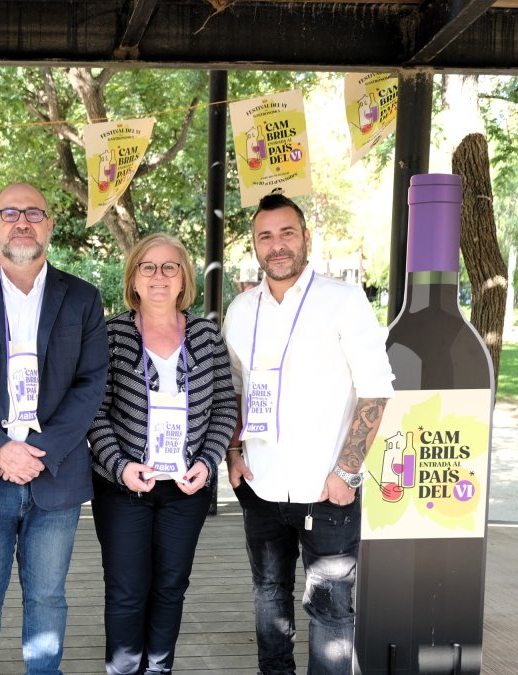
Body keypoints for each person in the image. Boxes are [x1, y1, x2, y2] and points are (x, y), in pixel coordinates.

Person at [0, 182, 109, 675]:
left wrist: (39, 451)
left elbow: (91, 382)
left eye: (34, 212)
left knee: (49, 599)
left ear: (50, 225)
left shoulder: (82, 298)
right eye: (9, 213)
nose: (22, 221)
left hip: (55, 474)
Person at [223, 194, 394, 675]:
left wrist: (346, 470)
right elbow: (234, 389)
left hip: (328, 489)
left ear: (306, 238)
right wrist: (234, 452)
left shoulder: (343, 300)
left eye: (286, 233)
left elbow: (376, 390)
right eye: (265, 236)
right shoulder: (239, 310)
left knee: (332, 611)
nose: (276, 245)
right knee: (268, 598)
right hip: (260, 485)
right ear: (255, 245)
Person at [87, 232, 238, 674]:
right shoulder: (111, 334)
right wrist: (120, 467)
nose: (158, 276)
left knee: (171, 587)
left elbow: (226, 404)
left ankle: (158, 670)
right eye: (148, 267)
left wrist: (208, 462)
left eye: (169, 266)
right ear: (133, 278)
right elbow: (94, 412)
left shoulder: (207, 334)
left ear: (183, 278)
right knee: (127, 591)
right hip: (124, 489)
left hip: (186, 489)